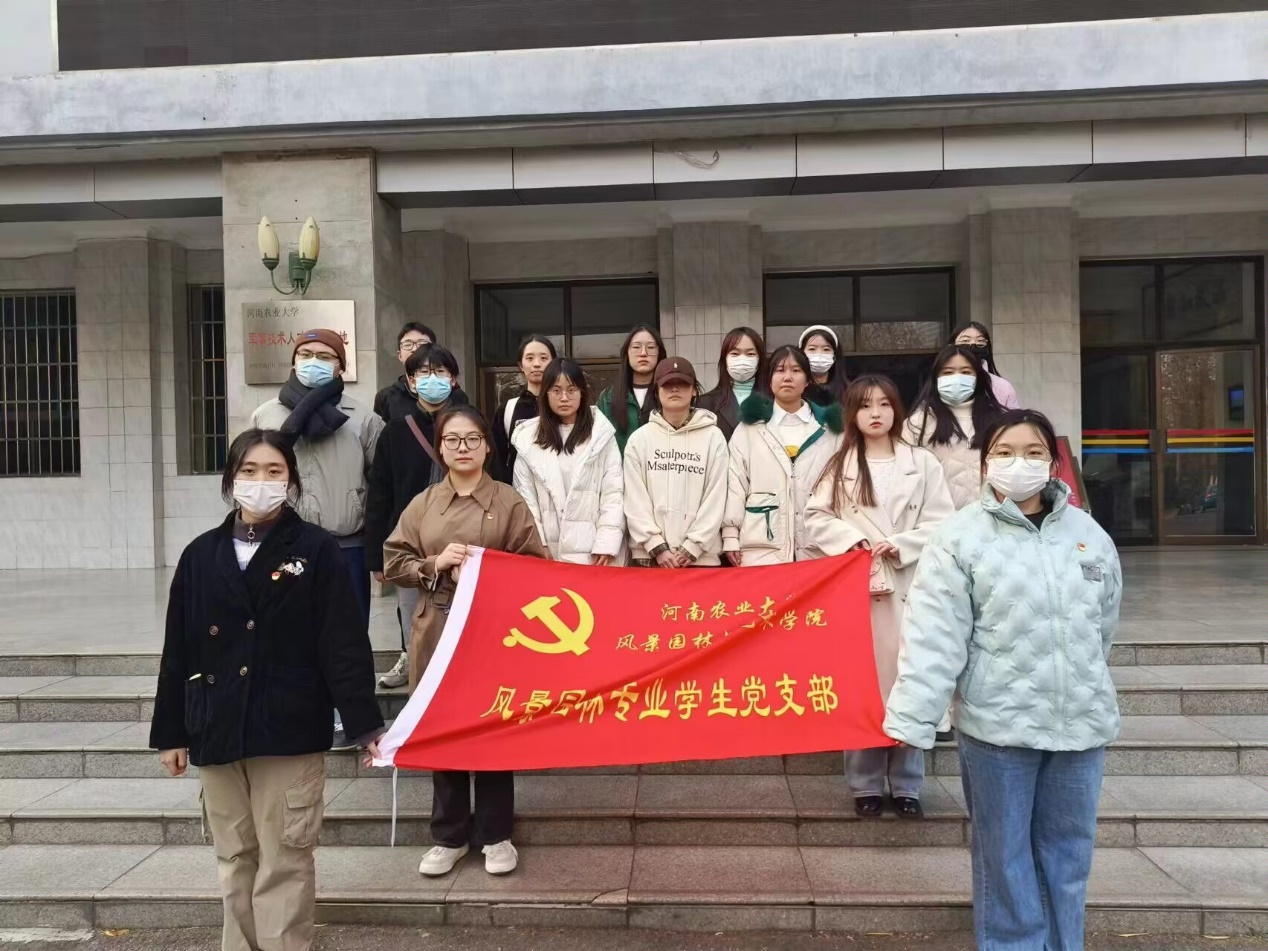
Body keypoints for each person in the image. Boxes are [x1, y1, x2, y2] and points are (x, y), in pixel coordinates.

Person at [884, 409, 1121, 951]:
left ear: (1053, 462)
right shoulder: (959, 537)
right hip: (999, 727)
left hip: (1080, 725)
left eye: (1034, 452)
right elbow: (935, 634)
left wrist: (1082, 679)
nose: (1020, 463)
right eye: (1006, 452)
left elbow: (1103, 624)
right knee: (1006, 857)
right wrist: (914, 716)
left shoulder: (1088, 534)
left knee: (1069, 856)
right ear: (986, 462)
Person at [150, 429, 382, 951]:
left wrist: (365, 723)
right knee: (234, 857)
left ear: (291, 481)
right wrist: (171, 732)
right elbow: (178, 649)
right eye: (249, 471)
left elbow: (342, 643)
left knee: (285, 858)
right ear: (231, 480)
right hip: (217, 724)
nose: (261, 481)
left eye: (274, 471)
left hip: (289, 725)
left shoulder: (316, 549)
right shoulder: (200, 554)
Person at [383, 405, 548, 878]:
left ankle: (496, 834)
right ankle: (449, 836)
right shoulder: (424, 503)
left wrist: (487, 569)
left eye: (472, 439)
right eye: (453, 440)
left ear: (487, 446)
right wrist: (433, 564)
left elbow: (535, 565)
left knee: (492, 727)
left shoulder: (508, 501)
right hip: (437, 627)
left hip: (492, 630)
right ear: (440, 448)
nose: (463, 448)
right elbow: (393, 560)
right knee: (445, 727)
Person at [805, 375, 954, 819]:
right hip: (863, 588)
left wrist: (903, 544)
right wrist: (850, 539)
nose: (876, 413)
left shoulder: (922, 463)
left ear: (896, 410)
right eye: (866, 405)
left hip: (910, 585)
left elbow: (943, 521)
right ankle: (865, 784)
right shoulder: (839, 464)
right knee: (865, 686)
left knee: (910, 681)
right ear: (851, 413)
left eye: (884, 404)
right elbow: (815, 517)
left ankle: (908, 785)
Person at [250, 329, 383, 747]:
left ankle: (350, 715)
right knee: (287, 630)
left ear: (341, 366)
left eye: (325, 356)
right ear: (293, 360)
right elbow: (249, 476)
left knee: (348, 634)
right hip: (284, 543)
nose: (314, 362)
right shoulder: (266, 416)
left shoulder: (362, 418)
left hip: (347, 544)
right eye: (305, 354)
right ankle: (299, 711)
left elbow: (381, 485)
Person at [365, 343, 466, 690]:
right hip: (411, 547)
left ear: (453, 379)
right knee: (416, 623)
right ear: (410, 381)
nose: (431, 378)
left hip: (463, 543)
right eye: (423, 372)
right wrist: (377, 558)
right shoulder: (394, 432)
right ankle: (419, 691)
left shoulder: (470, 425)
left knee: (463, 625)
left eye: (440, 372)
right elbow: (379, 496)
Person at [723, 345, 843, 566]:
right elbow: (735, 484)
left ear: (807, 380)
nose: (788, 377)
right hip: (763, 546)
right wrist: (730, 535)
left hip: (819, 547)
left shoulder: (830, 430)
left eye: (796, 370)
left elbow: (844, 487)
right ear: (769, 380)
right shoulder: (749, 429)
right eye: (779, 370)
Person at [512, 358, 625, 565]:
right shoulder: (528, 440)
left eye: (571, 390)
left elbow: (613, 494)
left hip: (595, 554)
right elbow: (525, 499)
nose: (564, 398)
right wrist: (537, 544)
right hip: (548, 554)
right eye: (556, 391)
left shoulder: (601, 436)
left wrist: (606, 543)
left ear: (582, 392)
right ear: (545, 394)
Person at [622, 357, 728, 568]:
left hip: (700, 560)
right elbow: (634, 497)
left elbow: (717, 495)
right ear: (656, 391)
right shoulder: (639, 439)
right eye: (668, 384)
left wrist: (693, 546)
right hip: (649, 558)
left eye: (683, 384)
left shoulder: (714, 438)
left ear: (694, 390)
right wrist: (655, 545)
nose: (675, 389)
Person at [905, 344, 1006, 510]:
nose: (957, 378)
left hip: (993, 517)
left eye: (966, 372)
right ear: (936, 378)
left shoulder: (1000, 420)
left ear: (978, 377)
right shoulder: (918, 423)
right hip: (940, 519)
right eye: (948, 372)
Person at [492, 334, 558, 482]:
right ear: (521, 365)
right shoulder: (507, 409)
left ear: (553, 363)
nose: (537, 364)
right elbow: (497, 460)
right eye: (529, 358)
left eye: (543, 358)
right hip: (517, 490)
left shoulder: (564, 406)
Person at [597, 324, 666, 455]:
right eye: (636, 347)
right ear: (627, 353)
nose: (643, 353)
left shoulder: (669, 394)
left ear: (659, 353)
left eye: (651, 347)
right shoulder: (608, 398)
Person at [697, 326, 767, 442]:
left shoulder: (775, 401)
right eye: (735, 353)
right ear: (725, 359)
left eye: (750, 354)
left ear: (760, 359)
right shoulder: (705, 404)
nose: (742, 359)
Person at [374, 322, 438, 422]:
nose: (415, 349)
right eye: (408, 345)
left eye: (422, 344)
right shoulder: (386, 397)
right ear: (400, 355)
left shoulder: (451, 393)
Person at [953, 321, 1020, 409]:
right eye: (965, 341)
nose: (973, 345)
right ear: (951, 345)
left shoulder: (1002, 387)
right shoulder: (943, 384)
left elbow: (1014, 416)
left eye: (980, 341)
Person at [799, 325, 848, 406]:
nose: (819, 354)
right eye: (812, 349)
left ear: (835, 355)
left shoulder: (849, 391)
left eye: (826, 349)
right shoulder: (795, 391)